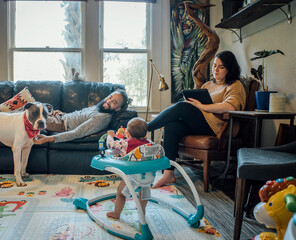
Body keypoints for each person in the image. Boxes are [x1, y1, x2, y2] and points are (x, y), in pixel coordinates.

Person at [148, 50, 246, 189]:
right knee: (172, 125)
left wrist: (202, 106)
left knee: (181, 107)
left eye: (221, 67)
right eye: (214, 66)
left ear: (230, 69)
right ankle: (168, 173)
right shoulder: (207, 85)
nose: (216, 70)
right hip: (201, 123)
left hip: (217, 126)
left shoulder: (234, 85)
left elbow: (230, 106)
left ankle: (146, 128)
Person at [33, 89, 128, 145]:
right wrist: (64, 114)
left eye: (114, 102)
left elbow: (77, 133)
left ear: (118, 109)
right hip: (61, 117)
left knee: (29, 113)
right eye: (110, 97)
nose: (108, 101)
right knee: (34, 105)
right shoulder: (100, 108)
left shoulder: (101, 118)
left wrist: (47, 139)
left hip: (60, 124)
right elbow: (80, 116)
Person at [105, 117, 151, 220]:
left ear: (128, 134)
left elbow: (110, 145)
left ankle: (116, 213)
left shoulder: (125, 143)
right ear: (146, 134)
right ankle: (141, 211)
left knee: (121, 193)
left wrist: (110, 136)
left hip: (131, 176)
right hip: (146, 177)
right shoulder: (150, 144)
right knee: (143, 195)